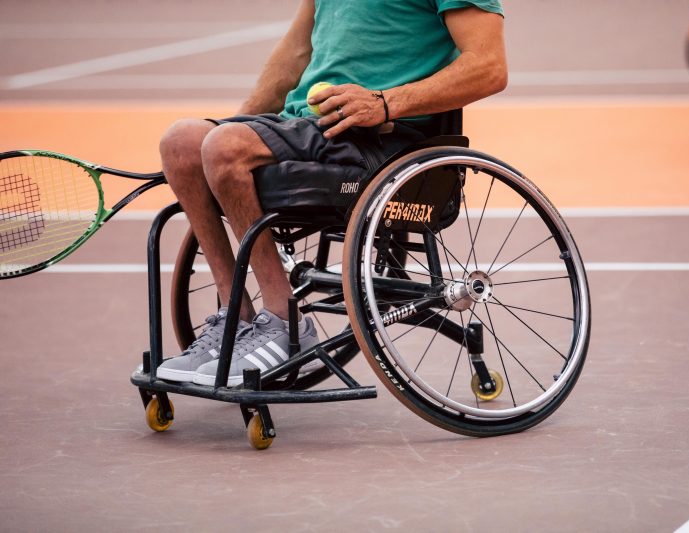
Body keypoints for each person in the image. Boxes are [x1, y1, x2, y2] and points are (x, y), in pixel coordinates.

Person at [156, 0, 507, 386]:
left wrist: (385, 103)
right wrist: (231, 132)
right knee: (183, 143)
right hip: (310, 129)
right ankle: (234, 319)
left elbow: (489, 67)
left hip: (376, 140)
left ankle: (283, 321)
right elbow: (295, 52)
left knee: (223, 146)